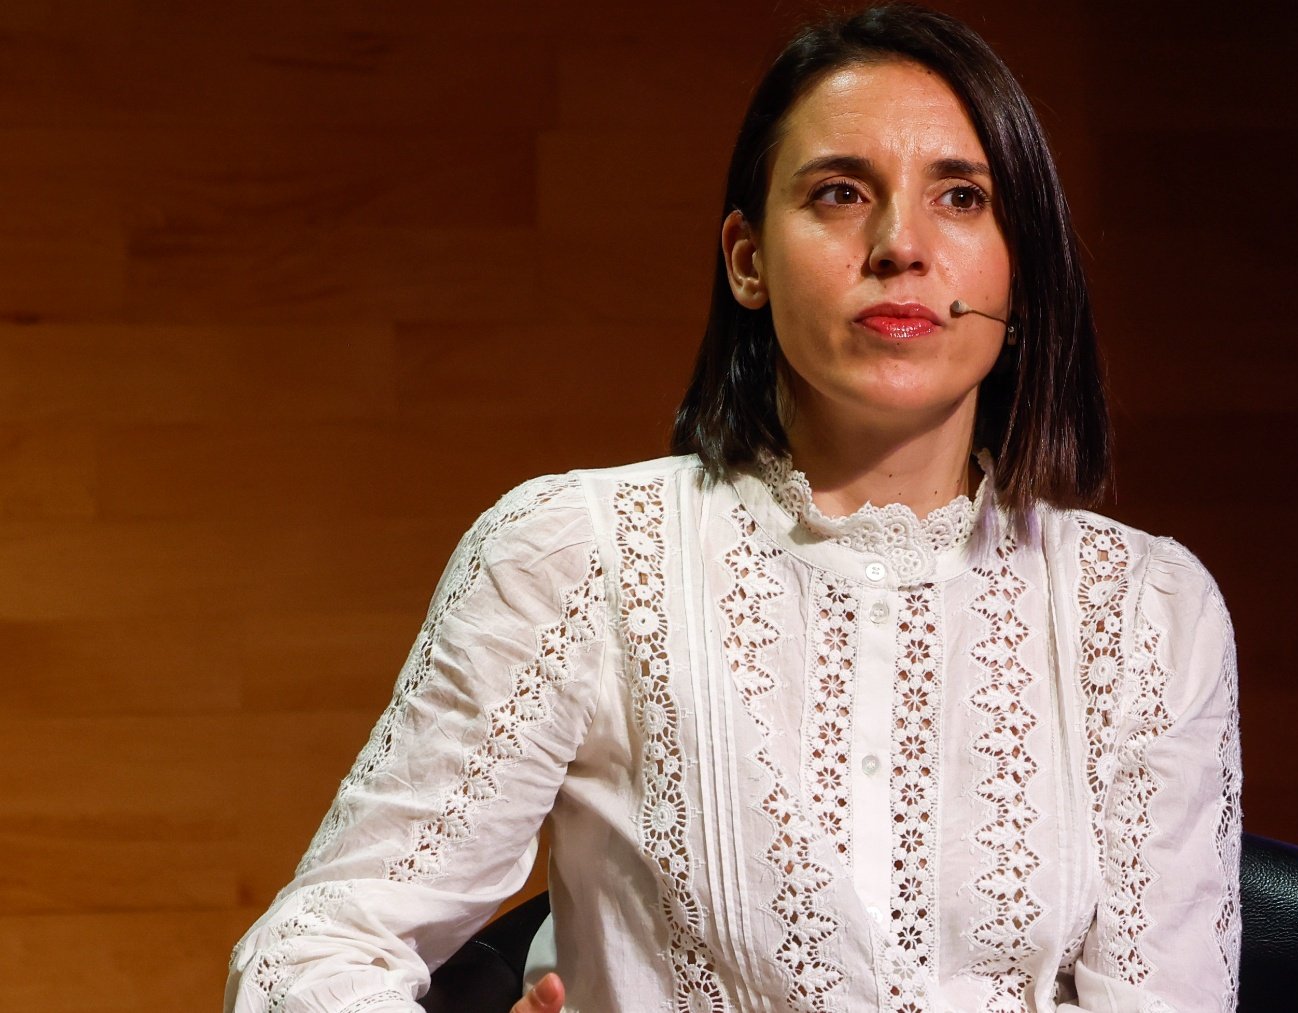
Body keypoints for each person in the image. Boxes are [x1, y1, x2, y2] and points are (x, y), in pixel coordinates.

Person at [224, 4, 1241, 1012]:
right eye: (842, 193)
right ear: (748, 259)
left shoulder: (1147, 611)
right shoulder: (578, 558)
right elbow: (311, 955)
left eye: (962, 197)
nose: (900, 244)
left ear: (1022, 271)